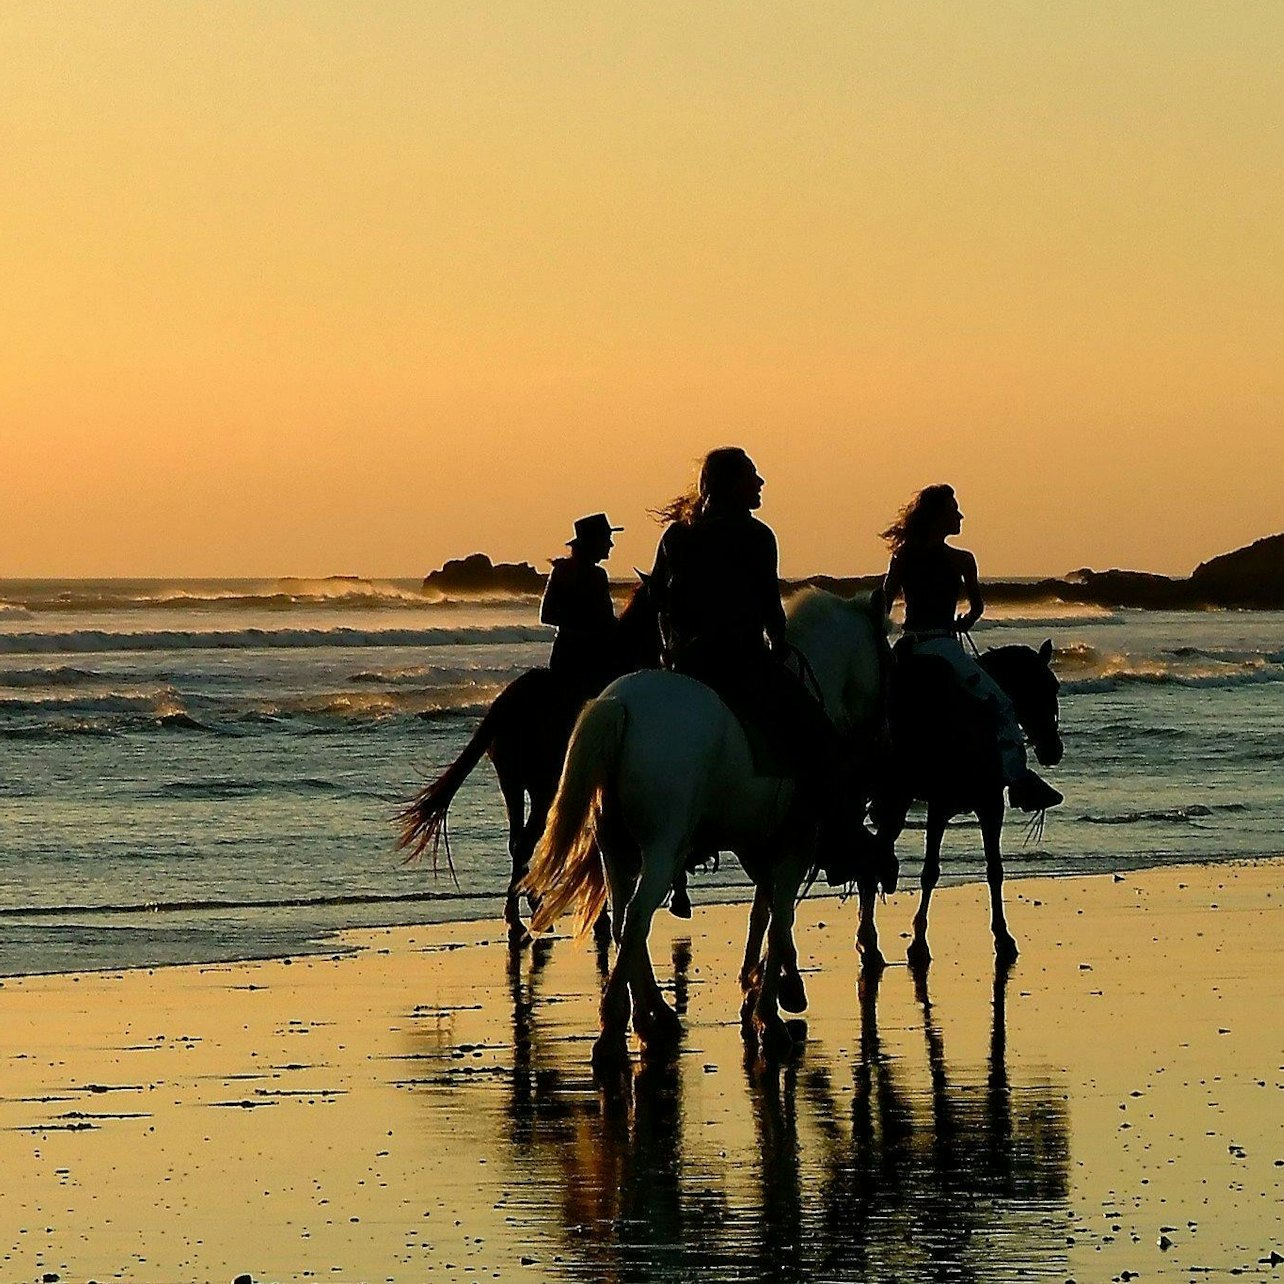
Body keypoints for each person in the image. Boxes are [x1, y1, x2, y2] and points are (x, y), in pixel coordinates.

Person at [648, 447, 873, 892]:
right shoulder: (757, 536)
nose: (761, 483)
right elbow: (771, 610)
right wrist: (780, 643)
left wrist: (670, 653)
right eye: (752, 476)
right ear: (732, 484)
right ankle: (839, 844)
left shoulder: (676, 536)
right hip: (742, 662)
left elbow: (660, 604)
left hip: (688, 663)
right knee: (823, 742)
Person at [881, 484, 1062, 812]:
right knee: (1003, 706)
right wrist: (965, 620)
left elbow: (883, 602)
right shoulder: (961, 560)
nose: (960, 515)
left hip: (910, 646)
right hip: (943, 645)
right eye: (954, 510)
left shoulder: (905, 555)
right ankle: (1019, 782)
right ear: (940, 517)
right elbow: (977, 608)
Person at [540, 513, 622, 698]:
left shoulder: (597, 574)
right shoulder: (571, 572)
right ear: (594, 542)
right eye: (607, 539)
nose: (611, 544)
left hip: (570, 652)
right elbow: (547, 615)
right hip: (578, 657)